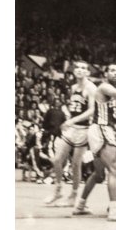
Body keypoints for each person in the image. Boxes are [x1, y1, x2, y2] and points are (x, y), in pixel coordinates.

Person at [73, 64, 116, 221]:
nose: (115, 73)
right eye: (112, 70)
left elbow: (111, 122)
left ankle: (80, 205)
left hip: (99, 130)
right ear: (105, 73)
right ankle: (114, 212)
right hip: (101, 131)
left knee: (99, 174)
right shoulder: (104, 87)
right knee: (114, 170)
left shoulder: (110, 94)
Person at [44, 61, 96, 206]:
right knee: (56, 159)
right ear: (73, 71)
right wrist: (68, 118)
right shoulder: (73, 87)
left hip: (83, 130)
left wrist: (72, 121)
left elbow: (92, 110)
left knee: (75, 164)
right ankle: (58, 190)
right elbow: (74, 106)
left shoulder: (91, 88)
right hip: (71, 128)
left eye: (84, 68)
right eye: (78, 67)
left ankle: (73, 195)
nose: (80, 70)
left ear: (88, 72)